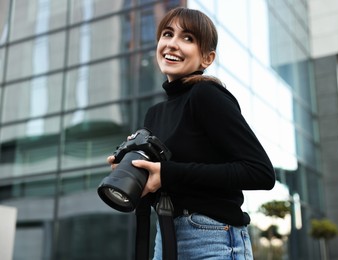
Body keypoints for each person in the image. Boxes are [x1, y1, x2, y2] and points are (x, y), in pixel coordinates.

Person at [108, 7, 275, 260]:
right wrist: (138, 175)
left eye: (187, 38)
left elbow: (260, 172)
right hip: (166, 236)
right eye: (167, 34)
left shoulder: (206, 95)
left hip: (213, 237)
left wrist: (166, 173)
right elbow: (173, 184)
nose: (172, 44)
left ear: (206, 59)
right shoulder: (155, 113)